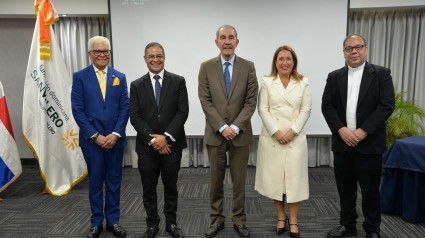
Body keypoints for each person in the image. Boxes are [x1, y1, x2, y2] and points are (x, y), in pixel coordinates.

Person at [322, 34, 395, 238]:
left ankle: (372, 229)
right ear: (343, 52)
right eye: (348, 48)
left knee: (371, 191)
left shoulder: (381, 74)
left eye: (358, 47)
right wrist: (342, 130)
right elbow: (327, 106)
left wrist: (363, 131)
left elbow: (386, 105)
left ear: (366, 49)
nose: (353, 51)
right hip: (342, 144)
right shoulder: (334, 76)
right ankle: (348, 225)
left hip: (369, 144)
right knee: (346, 191)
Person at [198, 25, 258, 238]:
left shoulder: (248, 67)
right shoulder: (206, 67)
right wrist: (223, 127)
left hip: (240, 134)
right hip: (215, 134)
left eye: (231, 37)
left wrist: (235, 127)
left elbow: (251, 102)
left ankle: (239, 220)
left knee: (240, 181)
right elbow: (205, 101)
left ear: (237, 42)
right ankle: (216, 219)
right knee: (216, 180)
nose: (227, 41)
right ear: (216, 42)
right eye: (222, 38)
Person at [71, 36, 129, 238]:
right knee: (95, 183)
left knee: (114, 182)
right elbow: (77, 109)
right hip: (92, 142)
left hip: (115, 140)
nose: (103, 55)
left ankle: (113, 221)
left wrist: (114, 134)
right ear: (90, 54)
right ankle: (96, 222)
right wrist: (95, 136)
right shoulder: (79, 77)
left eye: (106, 51)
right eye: (98, 51)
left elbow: (125, 108)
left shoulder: (119, 76)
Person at [129, 42, 188, 238]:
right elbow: (135, 116)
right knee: (148, 188)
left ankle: (171, 223)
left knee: (171, 187)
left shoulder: (178, 81)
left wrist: (166, 137)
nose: (156, 59)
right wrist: (154, 141)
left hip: (173, 145)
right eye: (151, 56)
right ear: (145, 59)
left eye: (159, 56)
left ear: (164, 57)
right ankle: (152, 224)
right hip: (147, 148)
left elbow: (182, 112)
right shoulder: (136, 85)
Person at [255, 46, 311, 238]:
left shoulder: (303, 82)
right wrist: (277, 132)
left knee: (294, 182)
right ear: (275, 62)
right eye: (281, 59)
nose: (285, 62)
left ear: (294, 62)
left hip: (295, 139)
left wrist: (292, 132)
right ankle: (281, 217)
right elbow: (263, 109)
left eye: (288, 59)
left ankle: (293, 220)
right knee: (275, 180)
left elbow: (306, 110)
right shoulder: (267, 82)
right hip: (273, 138)